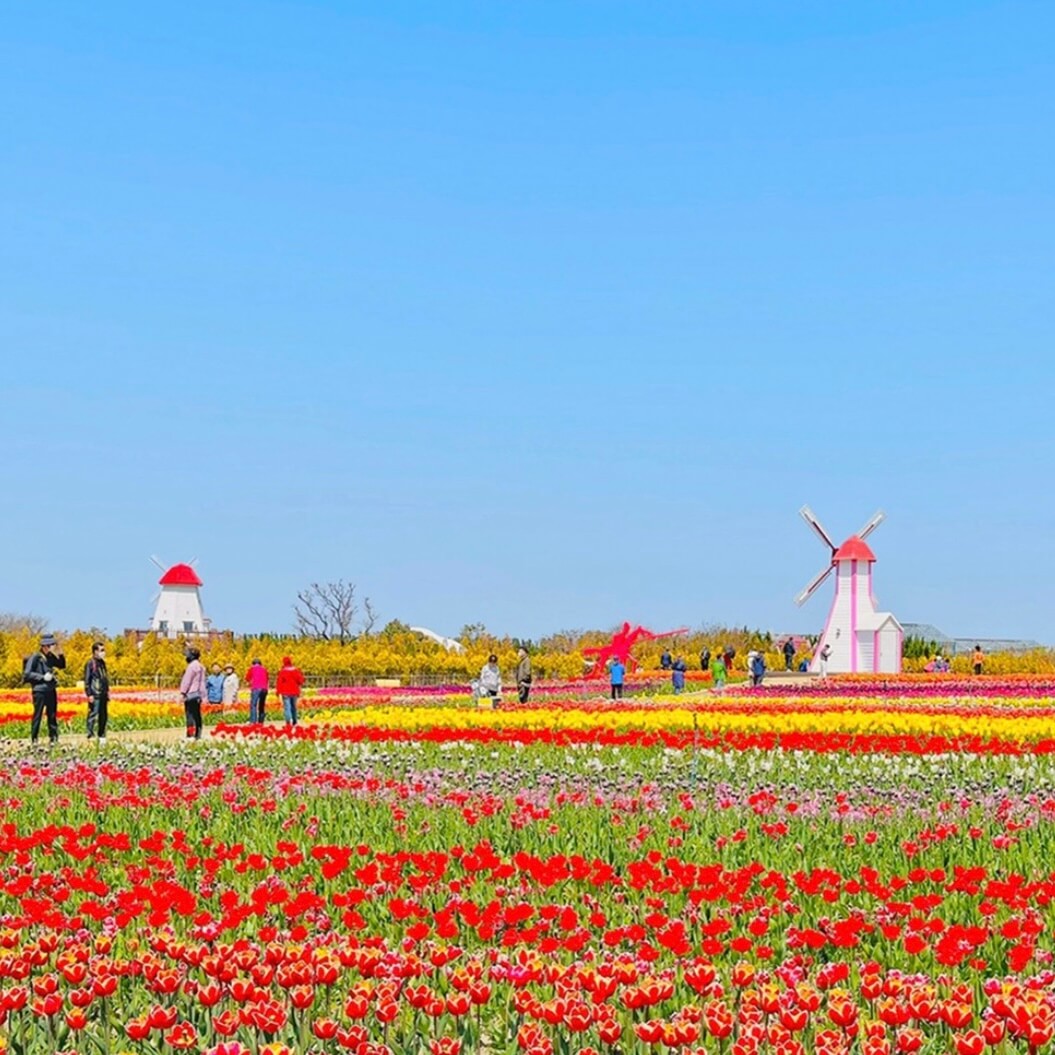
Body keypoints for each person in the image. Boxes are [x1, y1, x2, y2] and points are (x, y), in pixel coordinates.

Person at [23, 633, 66, 744]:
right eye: (51, 645)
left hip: (50, 690)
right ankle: (34, 739)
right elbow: (27, 674)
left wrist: (61, 654)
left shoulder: (50, 657)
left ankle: (53, 738)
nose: (53, 647)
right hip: (39, 690)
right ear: (45, 646)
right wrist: (42, 677)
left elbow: (61, 665)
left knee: (52, 715)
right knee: (38, 715)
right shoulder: (35, 657)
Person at [83, 640, 110, 741]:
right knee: (93, 715)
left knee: (104, 715)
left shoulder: (102, 663)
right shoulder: (90, 664)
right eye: (101, 650)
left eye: (104, 650)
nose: (103, 652)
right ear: (95, 651)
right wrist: (89, 694)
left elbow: (105, 678)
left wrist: (107, 692)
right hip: (95, 694)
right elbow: (87, 680)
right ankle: (90, 735)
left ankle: (102, 735)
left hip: (103, 694)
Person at [179, 648, 206, 740]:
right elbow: (202, 682)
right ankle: (198, 735)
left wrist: (183, 692)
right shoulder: (201, 666)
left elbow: (187, 681)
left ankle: (190, 735)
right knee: (197, 715)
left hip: (191, 693)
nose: (186, 657)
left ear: (192, 656)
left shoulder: (191, 666)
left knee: (190, 715)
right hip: (198, 694)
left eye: (187, 655)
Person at [276, 656, 305, 727]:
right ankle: (295, 721)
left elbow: (279, 682)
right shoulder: (295, 670)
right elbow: (300, 680)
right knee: (294, 707)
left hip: (285, 692)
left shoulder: (282, 671)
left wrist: (278, 692)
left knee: (287, 707)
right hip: (294, 691)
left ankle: (288, 722)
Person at [246, 658, 269, 723]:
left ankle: (253, 721)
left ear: (253, 663)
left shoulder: (252, 668)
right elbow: (267, 678)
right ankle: (261, 721)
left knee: (253, 705)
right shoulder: (264, 669)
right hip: (264, 689)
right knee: (261, 704)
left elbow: (247, 678)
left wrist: (250, 682)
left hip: (256, 688)